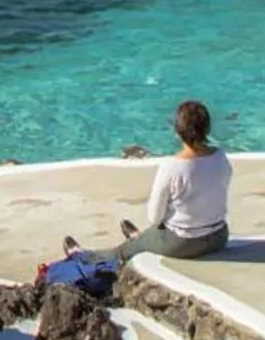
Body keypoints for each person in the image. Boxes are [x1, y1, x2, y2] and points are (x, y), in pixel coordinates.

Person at [65, 99, 232, 266]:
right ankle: (143, 240)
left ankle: (82, 257)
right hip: (219, 236)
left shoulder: (172, 167)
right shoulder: (220, 157)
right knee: (149, 237)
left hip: (182, 243)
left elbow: (155, 217)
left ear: (177, 132)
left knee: (121, 251)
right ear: (207, 129)